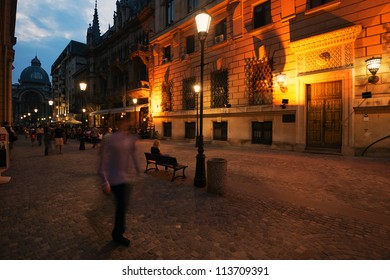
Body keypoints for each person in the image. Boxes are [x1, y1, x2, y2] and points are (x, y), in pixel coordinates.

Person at [98, 120, 141, 246]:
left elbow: (132, 155)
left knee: (123, 206)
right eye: (124, 123)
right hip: (114, 179)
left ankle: (118, 231)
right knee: (121, 205)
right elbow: (104, 160)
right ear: (118, 125)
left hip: (126, 178)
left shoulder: (128, 139)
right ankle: (117, 233)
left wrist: (137, 170)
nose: (126, 125)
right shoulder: (111, 139)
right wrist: (104, 181)